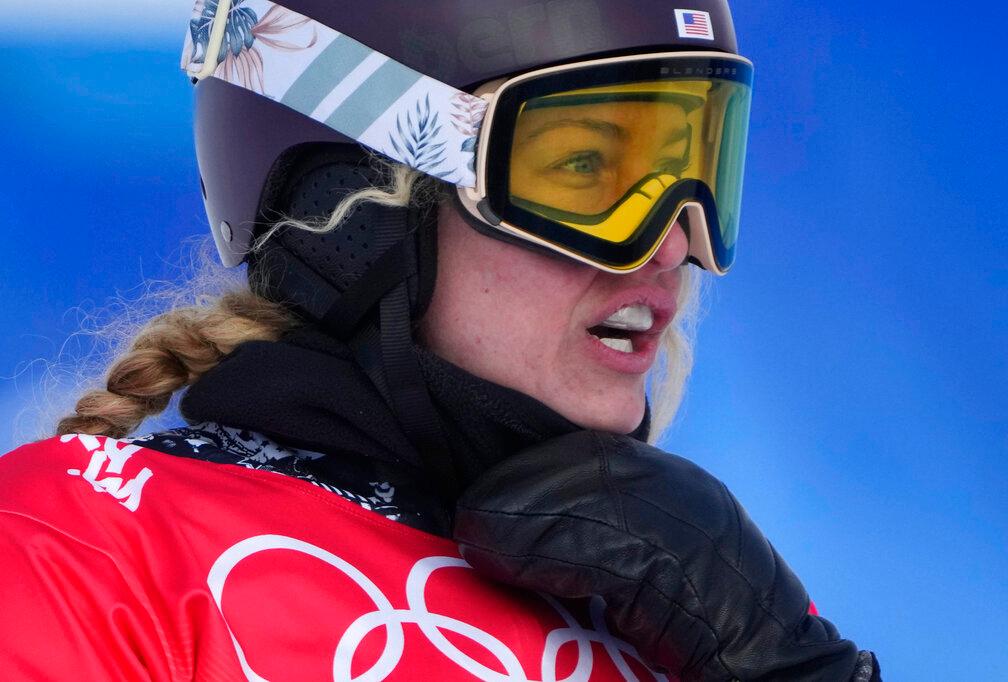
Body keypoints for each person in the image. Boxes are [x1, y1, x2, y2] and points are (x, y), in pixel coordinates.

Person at [0, 0, 881, 679]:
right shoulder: (83, 544)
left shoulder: (679, 610)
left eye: (698, 168)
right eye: (586, 168)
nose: (675, 244)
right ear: (358, 212)